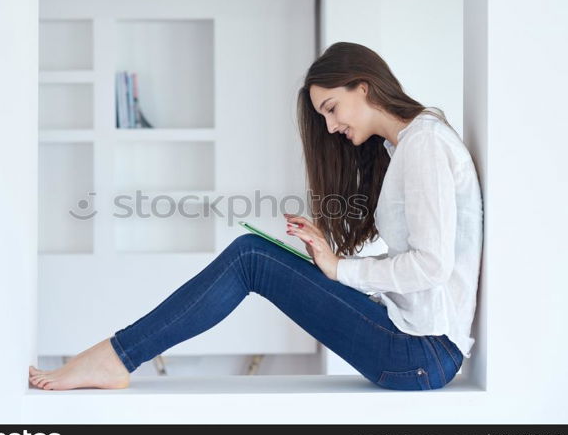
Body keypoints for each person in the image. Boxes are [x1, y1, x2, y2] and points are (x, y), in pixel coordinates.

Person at [29, 41, 483, 391]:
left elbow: (432, 265)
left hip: (420, 352)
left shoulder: (423, 144)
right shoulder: (404, 148)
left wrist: (340, 269)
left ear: (362, 86)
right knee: (254, 255)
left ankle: (115, 357)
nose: (330, 127)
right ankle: (116, 356)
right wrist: (328, 253)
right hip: (415, 342)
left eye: (331, 109)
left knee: (251, 258)